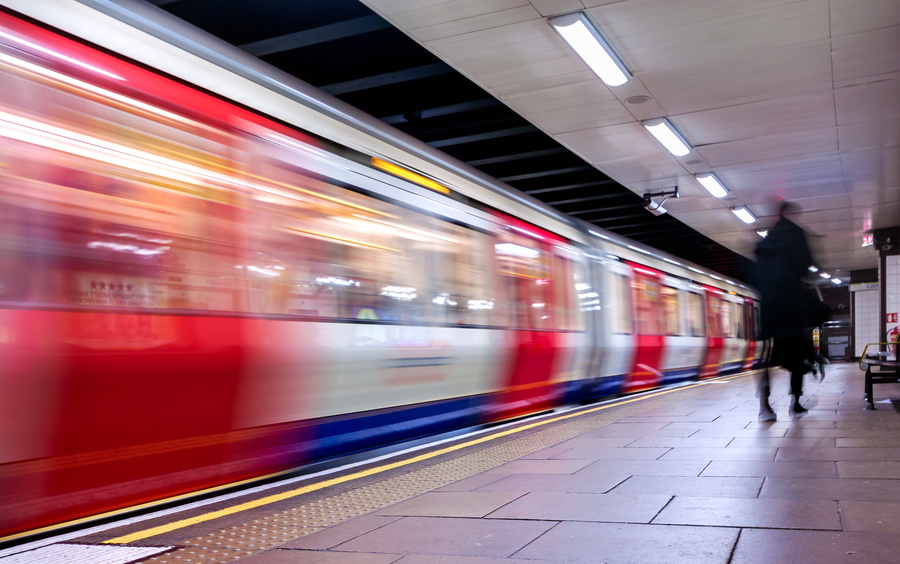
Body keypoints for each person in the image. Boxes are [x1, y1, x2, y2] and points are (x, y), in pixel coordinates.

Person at [753, 201, 815, 420]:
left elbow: (756, 275)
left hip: (770, 311)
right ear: (789, 214)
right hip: (791, 308)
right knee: (798, 358)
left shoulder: (765, 242)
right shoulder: (797, 236)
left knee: (766, 359)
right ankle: (795, 402)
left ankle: (764, 406)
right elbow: (807, 266)